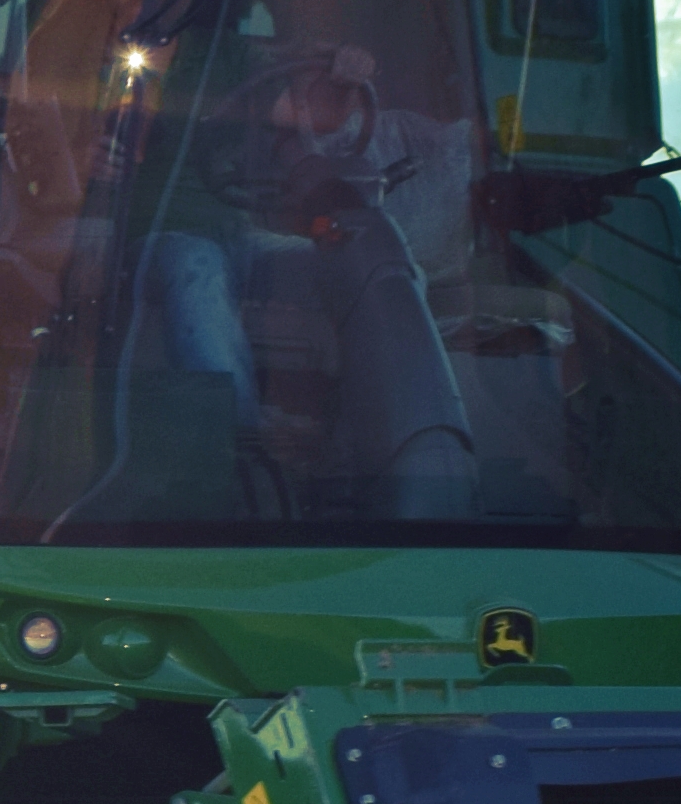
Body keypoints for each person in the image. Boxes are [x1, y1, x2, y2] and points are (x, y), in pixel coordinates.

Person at [123, 38, 473, 517]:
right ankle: (243, 456)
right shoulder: (117, 65)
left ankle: (369, 456)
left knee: (360, 258)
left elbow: (315, 117)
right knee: (197, 274)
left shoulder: (221, 58)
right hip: (164, 232)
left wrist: (342, 84)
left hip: (239, 232)